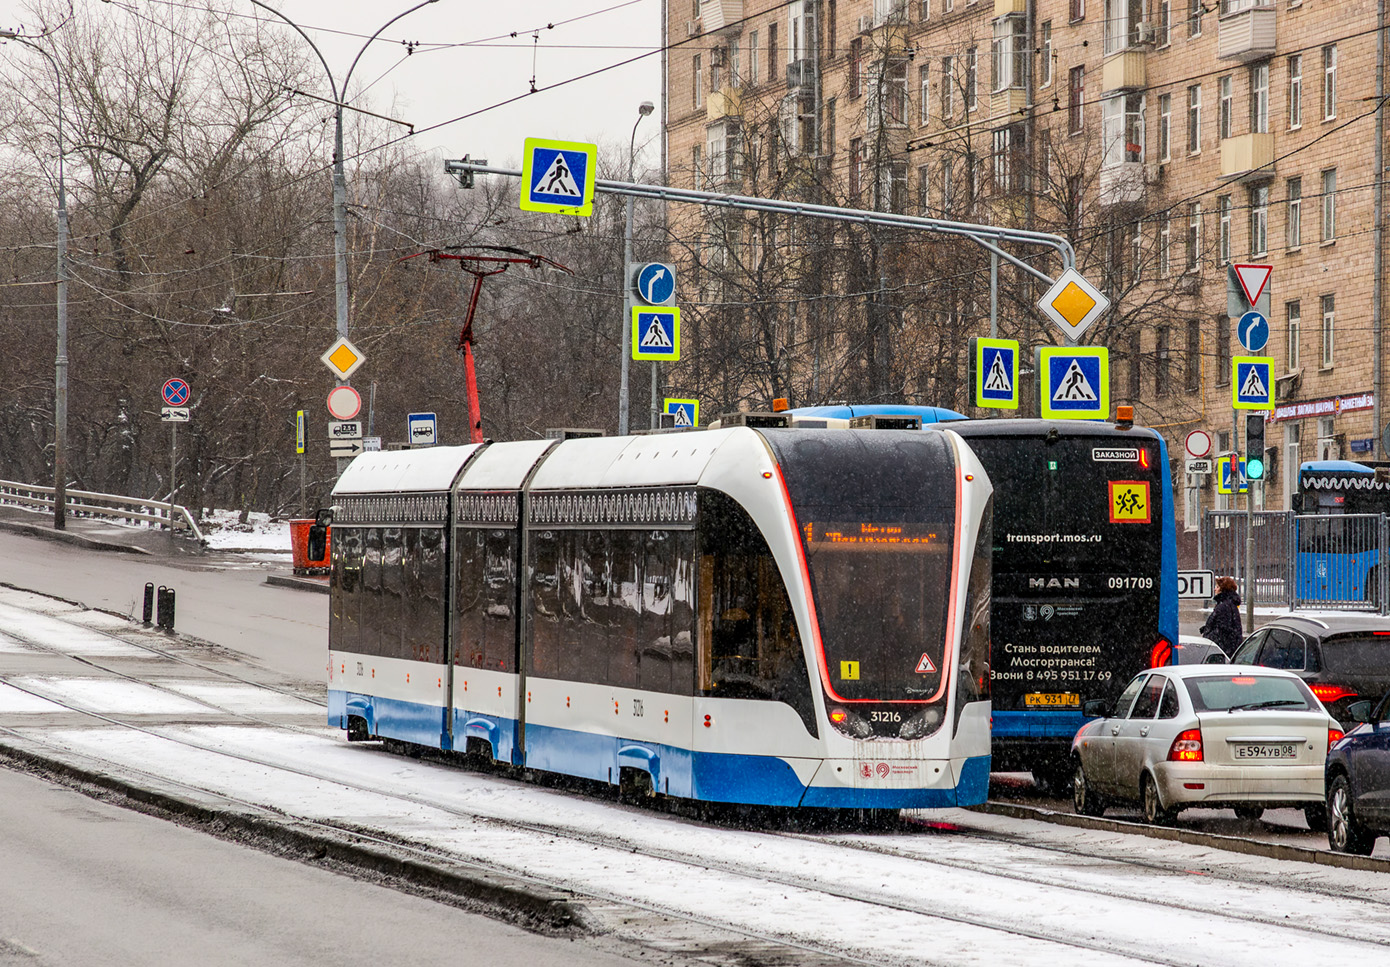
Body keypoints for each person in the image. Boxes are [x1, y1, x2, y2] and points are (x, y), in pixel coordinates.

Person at [1200, 576, 1244, 655]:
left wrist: (1208, 637)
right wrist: (1207, 628)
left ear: (1222, 589)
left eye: (1217, 587)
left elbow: (1223, 629)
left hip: (1221, 650)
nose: (1215, 589)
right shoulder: (1228, 603)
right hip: (1227, 648)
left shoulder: (1224, 606)